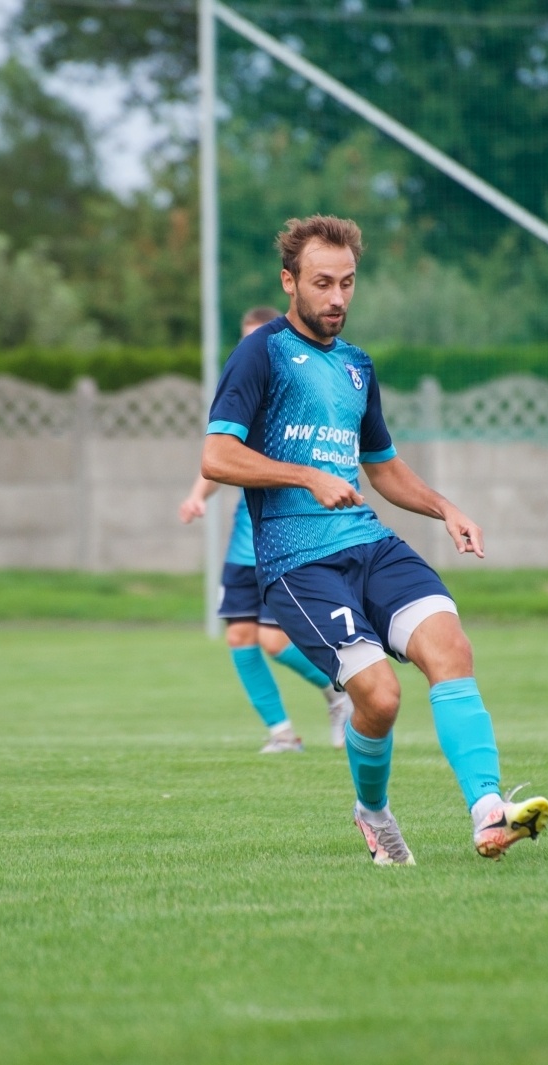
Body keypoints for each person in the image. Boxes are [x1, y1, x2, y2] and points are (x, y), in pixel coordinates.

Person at [202, 215, 548, 864]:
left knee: (450, 646)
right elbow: (217, 455)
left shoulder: (358, 368)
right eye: (322, 283)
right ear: (290, 281)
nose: (337, 297)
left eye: (348, 283)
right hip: (298, 562)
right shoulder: (262, 352)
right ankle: (372, 812)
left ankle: (487, 807)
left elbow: (383, 467)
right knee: (381, 699)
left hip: (370, 543)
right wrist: (305, 475)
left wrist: (445, 508)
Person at [180, 306, 354, 754]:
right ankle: (282, 733)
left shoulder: (294, 395)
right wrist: (198, 494)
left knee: (274, 639)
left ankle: (342, 692)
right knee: (239, 635)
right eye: (246, 340)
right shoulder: (243, 393)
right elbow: (222, 457)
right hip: (245, 542)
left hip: (285, 541)